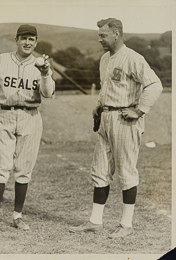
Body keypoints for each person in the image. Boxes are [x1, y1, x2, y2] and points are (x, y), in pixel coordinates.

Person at [68, 18, 163, 238]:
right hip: (106, 118)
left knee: (126, 171)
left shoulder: (133, 58)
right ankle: (95, 221)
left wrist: (139, 111)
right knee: (100, 171)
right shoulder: (104, 59)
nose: (99, 39)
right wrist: (99, 106)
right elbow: (108, 87)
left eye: (103, 35)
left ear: (117, 34)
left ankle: (126, 224)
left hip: (125, 118)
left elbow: (154, 84)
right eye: (99, 35)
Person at [0, 24, 55, 235]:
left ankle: (17, 216)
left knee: (24, 168)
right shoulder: (1, 60)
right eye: (24, 38)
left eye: (32, 39)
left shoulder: (42, 64)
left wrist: (46, 73)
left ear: (36, 42)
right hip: (3, 114)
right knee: (0, 167)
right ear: (16, 40)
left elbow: (48, 93)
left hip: (30, 116)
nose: (28, 42)